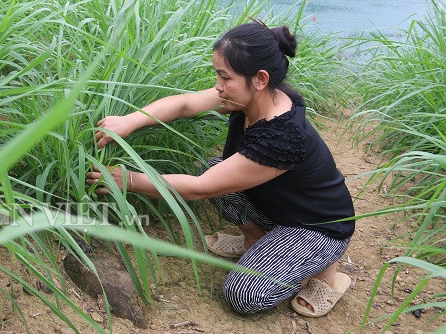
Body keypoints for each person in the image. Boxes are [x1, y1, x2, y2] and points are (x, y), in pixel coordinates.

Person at [86, 20, 355, 317]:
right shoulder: (253, 97)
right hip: (282, 207)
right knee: (214, 168)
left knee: (243, 294)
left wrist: (131, 181)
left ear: (260, 79)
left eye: (224, 77)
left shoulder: (282, 136)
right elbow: (185, 104)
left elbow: (200, 189)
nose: (218, 86)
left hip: (318, 226)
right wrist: (130, 120)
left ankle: (325, 270)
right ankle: (258, 241)